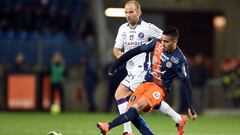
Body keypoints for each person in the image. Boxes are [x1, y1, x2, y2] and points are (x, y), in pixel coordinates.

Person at [97, 26, 197, 135]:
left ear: (175, 42)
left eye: (166, 41)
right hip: (145, 84)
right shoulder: (156, 44)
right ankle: (177, 119)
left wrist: (190, 106)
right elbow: (134, 52)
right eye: (162, 40)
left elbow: (186, 82)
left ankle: (108, 126)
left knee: (136, 108)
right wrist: (115, 65)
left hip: (158, 89)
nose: (162, 43)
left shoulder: (180, 60)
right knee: (131, 115)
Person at [112, 0, 187, 134]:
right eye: (126, 12)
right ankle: (178, 118)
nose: (128, 15)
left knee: (121, 95)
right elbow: (116, 49)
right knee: (152, 101)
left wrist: (170, 58)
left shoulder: (147, 27)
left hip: (143, 70)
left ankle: (127, 131)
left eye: (131, 12)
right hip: (130, 70)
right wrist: (120, 56)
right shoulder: (122, 29)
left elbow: (166, 38)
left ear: (139, 12)